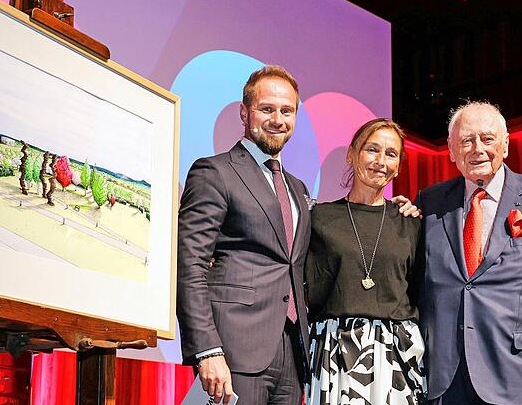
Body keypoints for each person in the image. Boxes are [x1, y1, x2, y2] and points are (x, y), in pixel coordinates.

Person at [415, 102, 522, 405]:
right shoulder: (429, 201)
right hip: (443, 379)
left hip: (518, 378)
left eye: (487, 139)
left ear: (505, 145)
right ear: (451, 150)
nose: (477, 148)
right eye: (466, 140)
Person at [176, 65, 311, 404]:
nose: (278, 119)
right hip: (233, 348)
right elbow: (189, 262)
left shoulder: (298, 189)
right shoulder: (214, 171)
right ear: (244, 112)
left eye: (287, 111)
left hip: (292, 351)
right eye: (267, 109)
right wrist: (206, 349)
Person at [305, 118, 426, 405]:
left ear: (398, 164)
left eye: (391, 154)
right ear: (352, 154)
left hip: (397, 354)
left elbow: (420, 290)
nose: (380, 161)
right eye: (372, 149)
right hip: (335, 352)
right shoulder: (319, 218)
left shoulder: (410, 223)